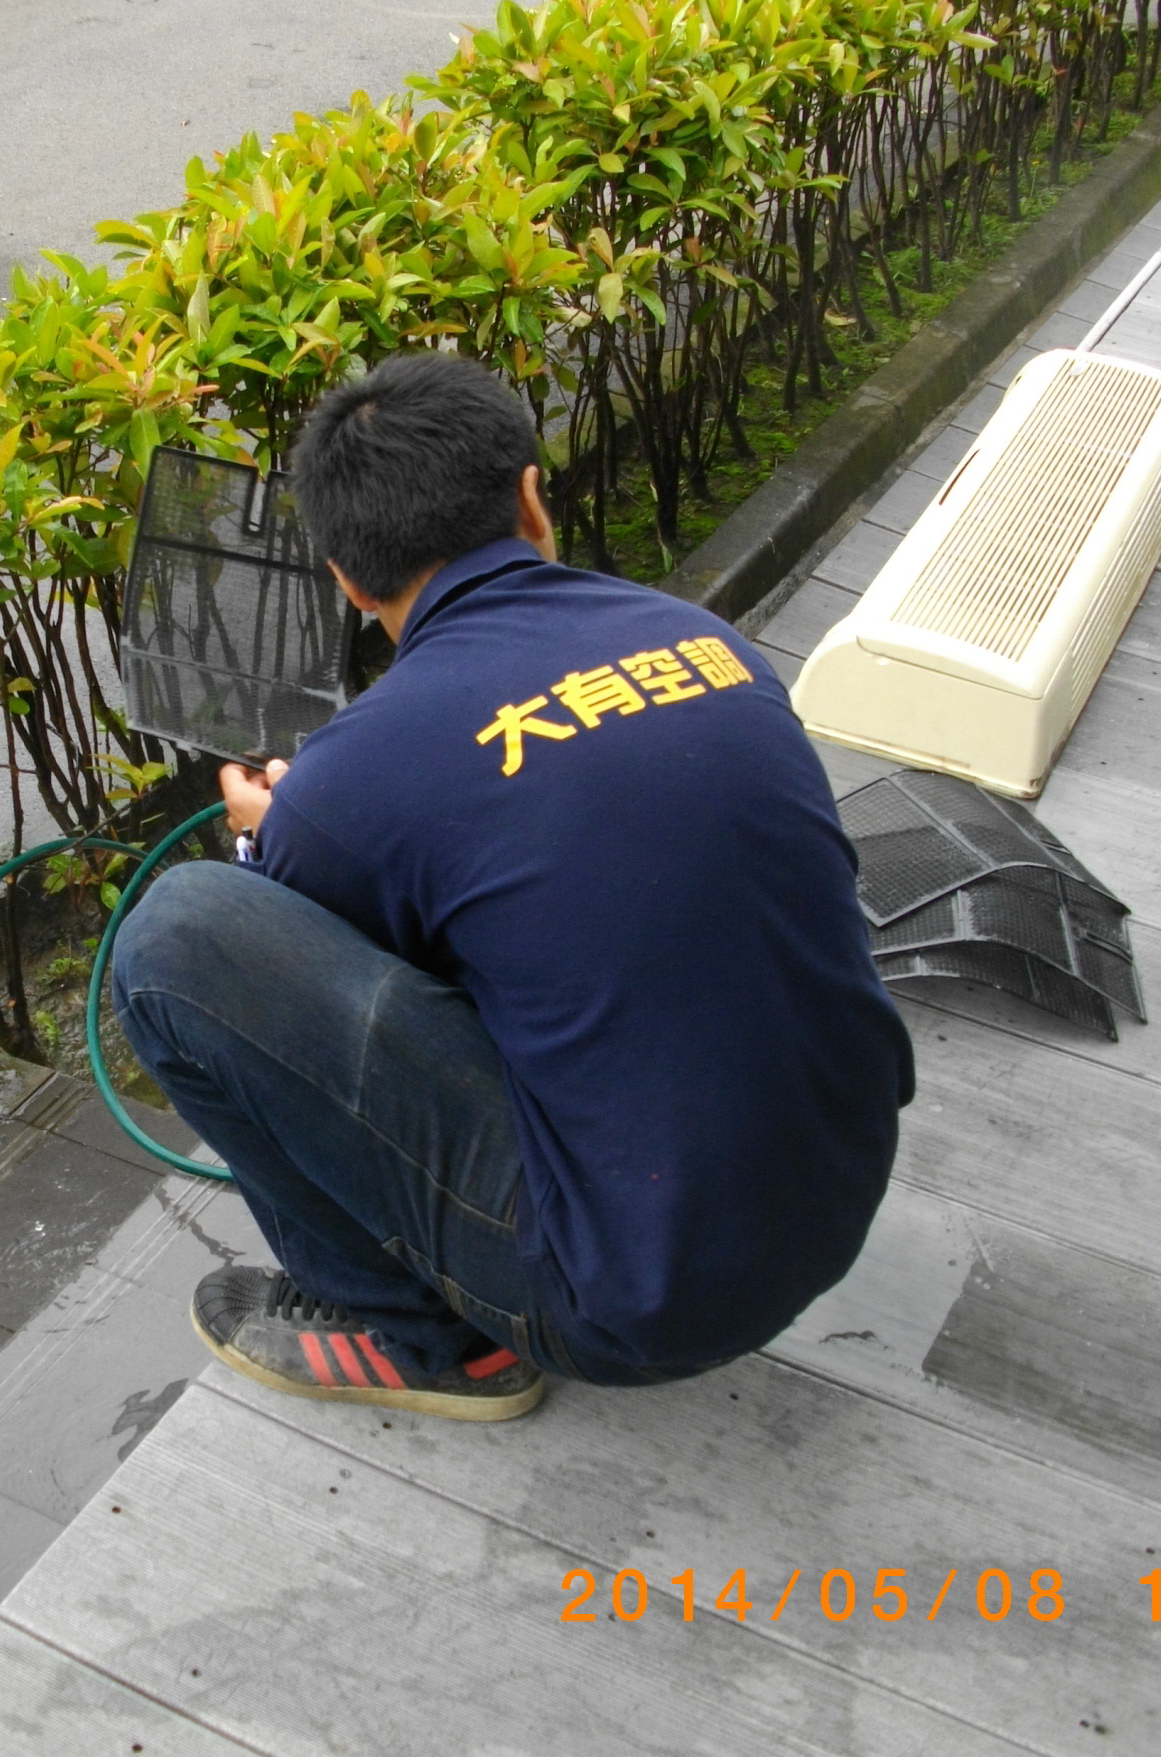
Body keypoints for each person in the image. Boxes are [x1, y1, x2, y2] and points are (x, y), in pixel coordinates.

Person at [111, 352, 913, 1421]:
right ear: (534, 497)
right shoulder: (703, 642)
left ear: (349, 582)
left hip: (629, 1304)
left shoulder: (359, 775)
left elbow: (312, 1001)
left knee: (180, 938)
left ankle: (428, 1341)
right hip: (844, 1185)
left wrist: (278, 836)